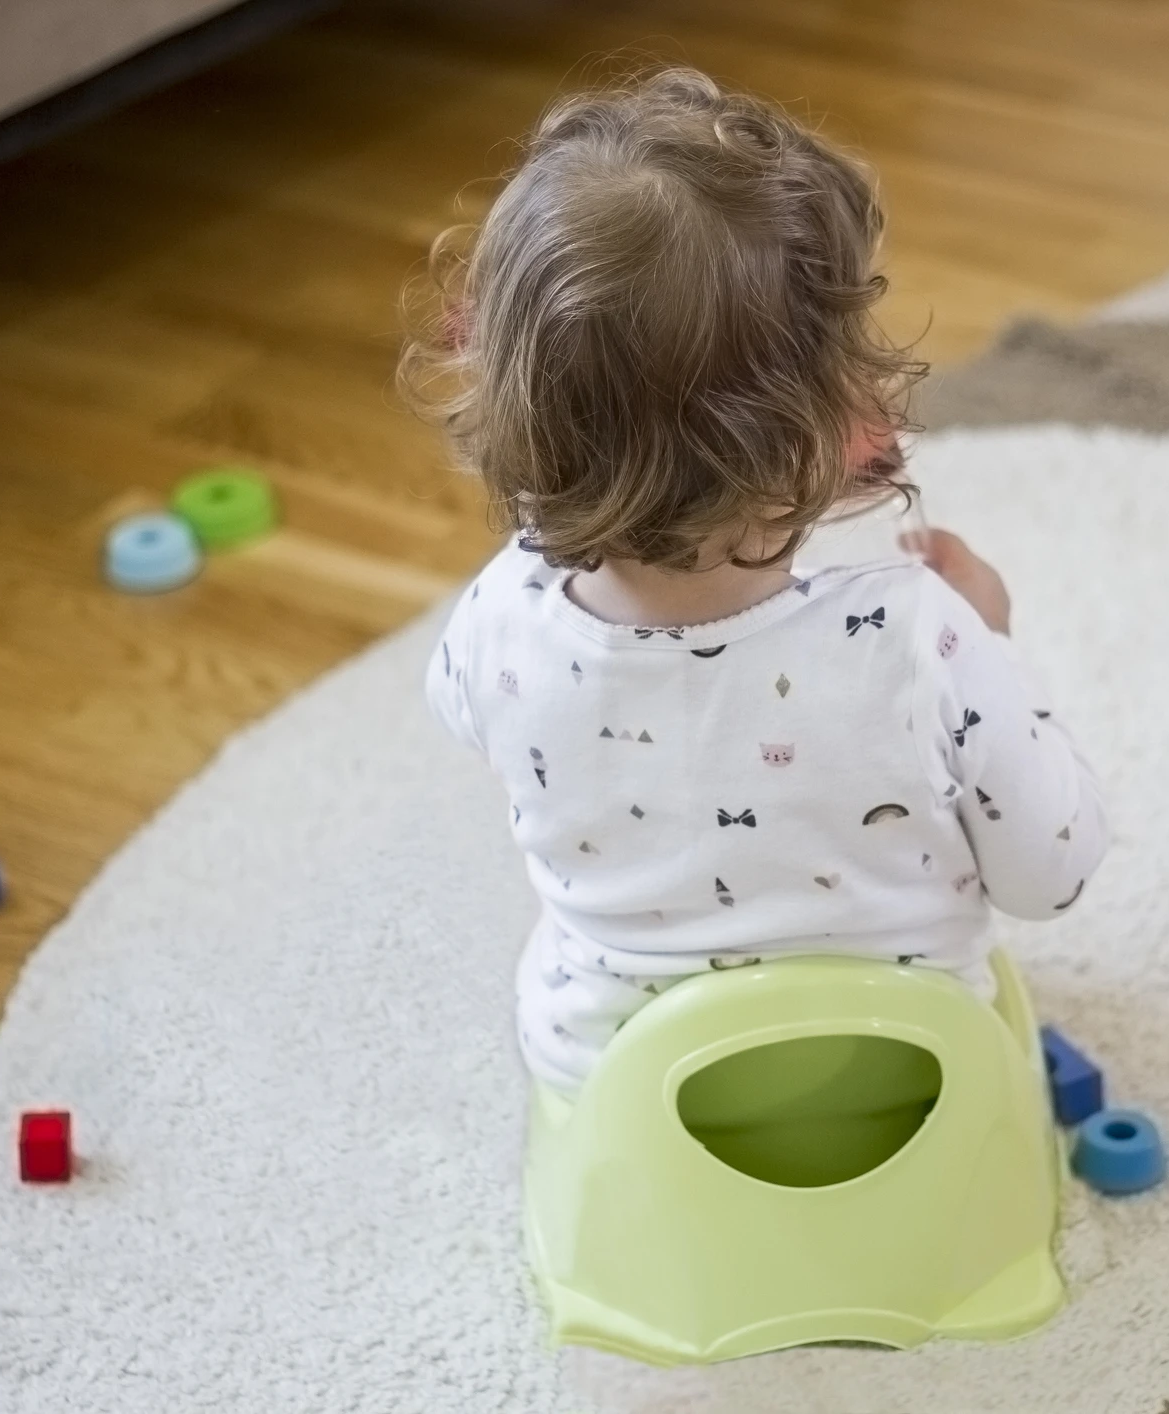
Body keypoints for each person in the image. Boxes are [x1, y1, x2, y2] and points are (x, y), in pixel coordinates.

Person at [406, 66, 1108, 1093]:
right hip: (899, 1083)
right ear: (814, 423)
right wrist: (992, 642)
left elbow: (466, 716)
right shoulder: (921, 633)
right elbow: (1055, 871)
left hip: (624, 1086)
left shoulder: (500, 618)